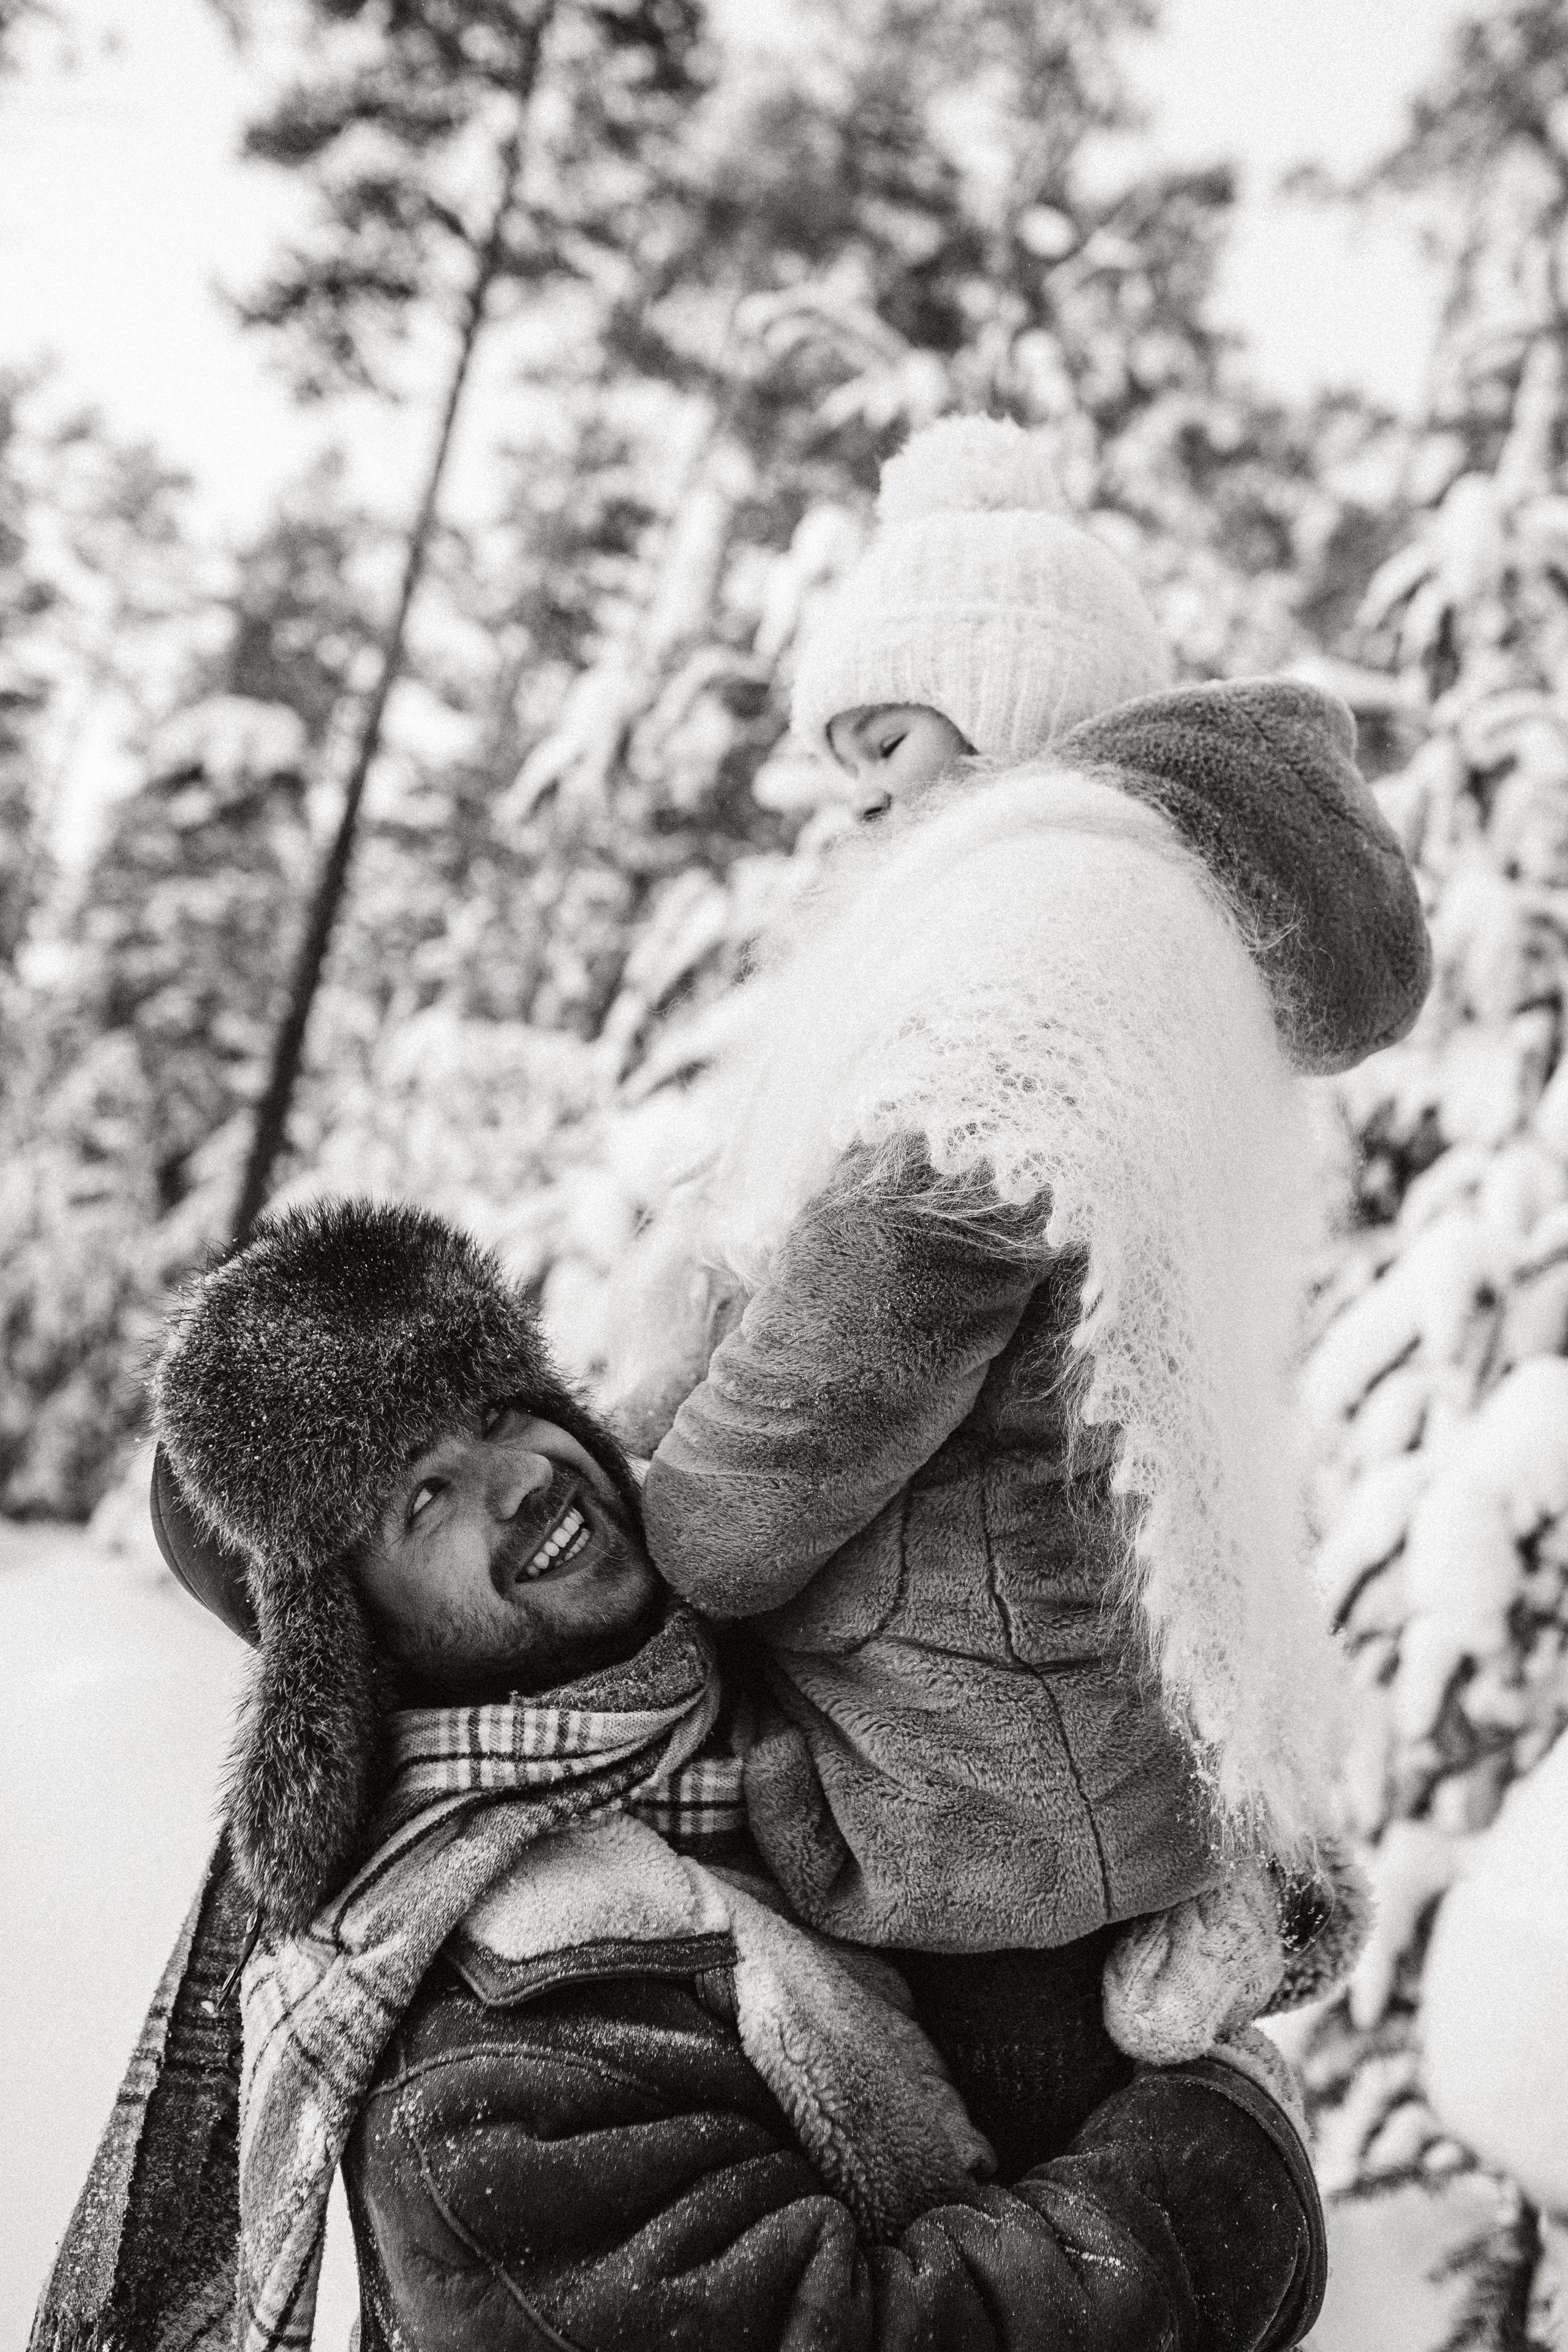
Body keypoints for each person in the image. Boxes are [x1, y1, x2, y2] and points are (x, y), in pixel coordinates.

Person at [34, 1198, 1329, 2352]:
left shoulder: (767, 1692)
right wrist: (1219, 2148)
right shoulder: (481, 2065)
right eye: (422, 1499)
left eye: (496, 1413)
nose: (516, 1480)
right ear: (346, 1642)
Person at [614, 415, 1433, 2172]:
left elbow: (887, 1290)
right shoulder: (1125, 904)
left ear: (999, 701)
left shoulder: (1046, 922)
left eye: (885, 734)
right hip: (1023, 1773)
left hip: (974, 1815)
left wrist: (664, 1547)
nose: (856, 789)